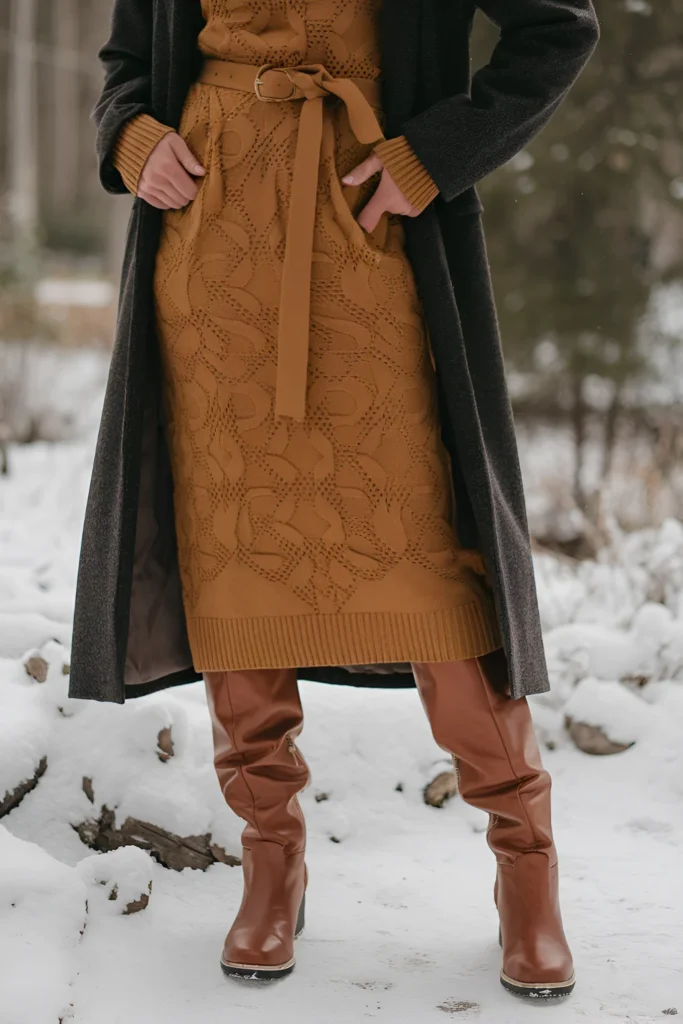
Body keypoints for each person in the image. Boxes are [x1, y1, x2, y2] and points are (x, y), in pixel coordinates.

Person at [73, 0, 599, 997]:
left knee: (432, 569)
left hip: (372, 240)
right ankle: (271, 858)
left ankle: (524, 866)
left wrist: (434, 155)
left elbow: (555, 28)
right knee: (234, 558)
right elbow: (124, 61)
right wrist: (131, 138)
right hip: (212, 246)